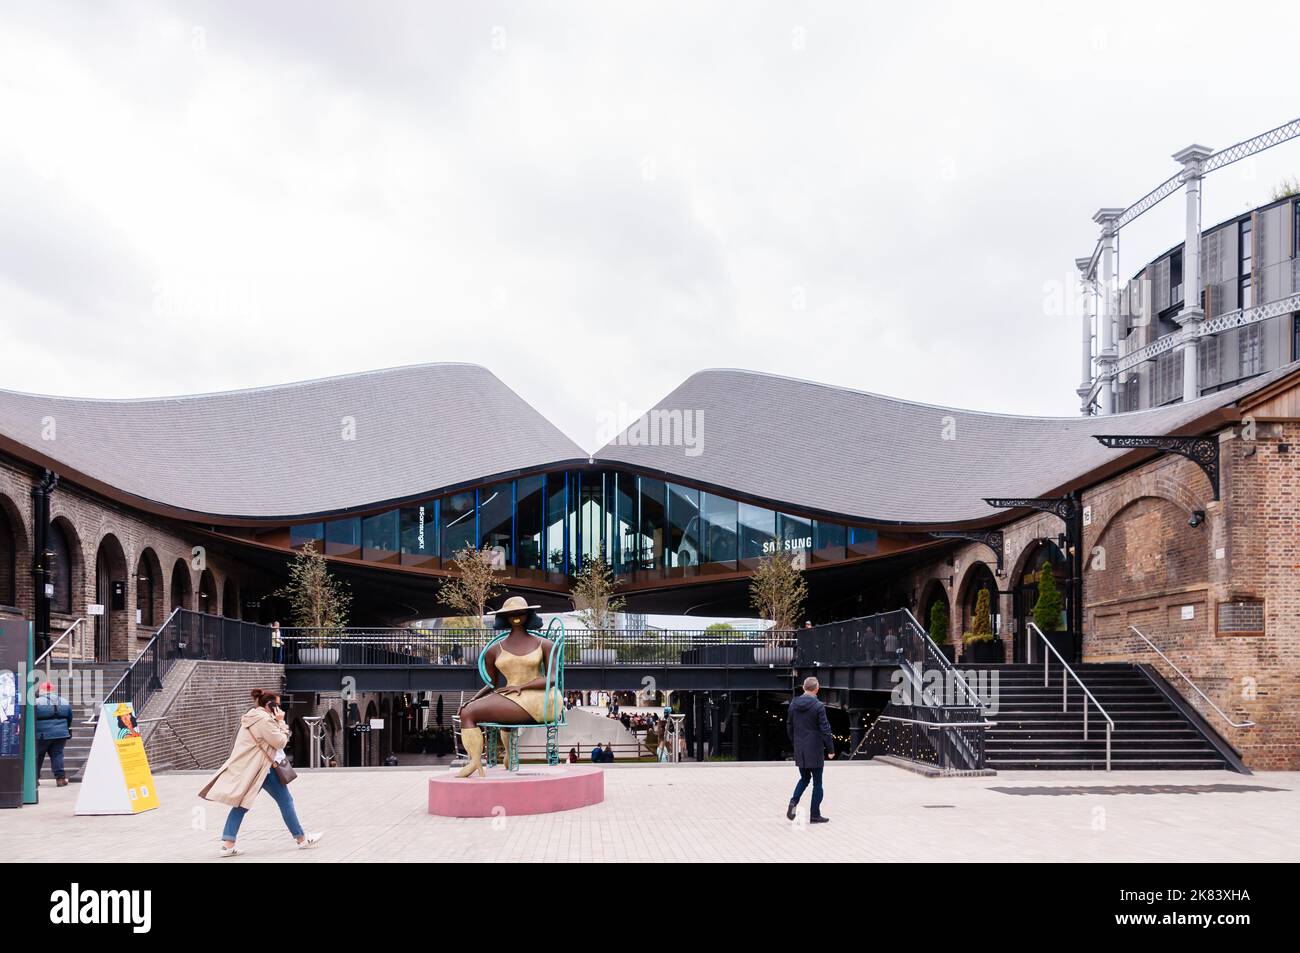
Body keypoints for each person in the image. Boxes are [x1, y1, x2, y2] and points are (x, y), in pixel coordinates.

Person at [199, 688, 322, 857]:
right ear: (269, 705)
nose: (280, 707)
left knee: (241, 804)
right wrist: (281, 722)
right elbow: (280, 742)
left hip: (253, 769)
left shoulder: (251, 717)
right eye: (277, 705)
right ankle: (301, 839)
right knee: (286, 801)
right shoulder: (264, 721)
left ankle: (228, 844)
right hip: (265, 769)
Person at [455, 596, 563, 778]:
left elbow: (552, 679)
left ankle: (477, 762)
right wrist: (473, 700)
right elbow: (493, 684)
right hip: (511, 696)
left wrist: (522, 686)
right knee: (469, 710)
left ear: (528, 615)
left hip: (541, 698)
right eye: (511, 614)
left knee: (470, 714)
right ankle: (485, 759)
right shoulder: (494, 650)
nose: (516, 617)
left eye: (520, 613)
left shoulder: (545, 644)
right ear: (504, 618)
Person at [786, 676, 834, 824]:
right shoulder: (818, 706)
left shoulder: (793, 704)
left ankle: (793, 802)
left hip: (800, 749)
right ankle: (815, 815)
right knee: (817, 783)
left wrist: (796, 742)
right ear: (817, 689)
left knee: (804, 779)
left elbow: (789, 726)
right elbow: (825, 728)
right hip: (815, 749)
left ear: (803, 688)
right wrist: (830, 749)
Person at [34, 682, 73, 786]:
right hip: (61, 734)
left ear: (41, 691)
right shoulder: (64, 701)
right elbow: (69, 717)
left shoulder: (36, 702)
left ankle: (34, 779)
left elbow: (32, 719)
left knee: (38, 756)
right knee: (57, 755)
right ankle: (60, 779)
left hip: (42, 734)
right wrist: (64, 728)